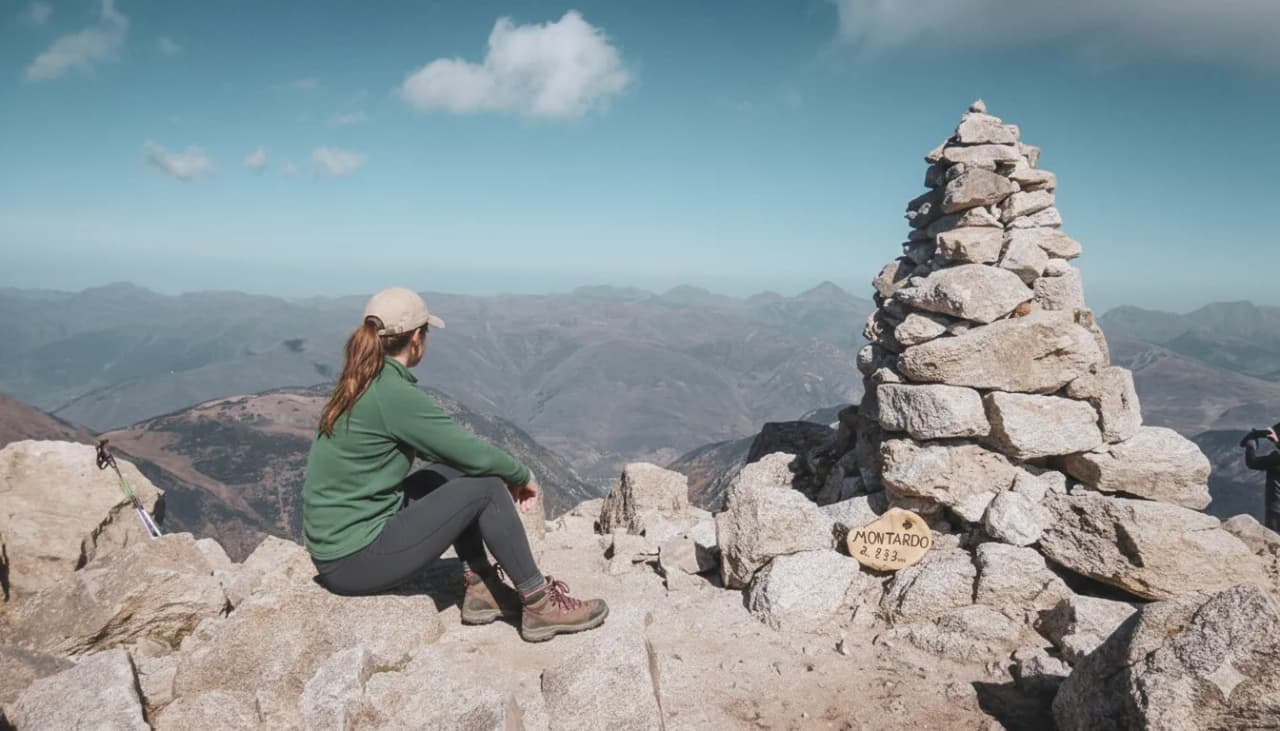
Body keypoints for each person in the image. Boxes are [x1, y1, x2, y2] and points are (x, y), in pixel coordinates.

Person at [302, 287, 608, 642]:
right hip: (354, 561)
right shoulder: (394, 395)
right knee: (487, 487)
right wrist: (522, 475)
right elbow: (472, 453)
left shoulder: (363, 380)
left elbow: (449, 456)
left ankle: (482, 589)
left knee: (447, 475)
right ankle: (539, 605)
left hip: (340, 550)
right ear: (417, 339)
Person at [1240, 422, 1280, 532]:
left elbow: (1252, 462)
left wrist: (1251, 444)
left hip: (1276, 510)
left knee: (1275, 540)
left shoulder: (1275, 460)